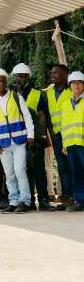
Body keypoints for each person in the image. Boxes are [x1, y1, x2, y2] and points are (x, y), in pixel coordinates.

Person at [0, 68, 34, 213]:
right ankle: (13, 201)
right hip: (2, 144)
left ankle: (25, 201)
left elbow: (27, 117)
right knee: (9, 173)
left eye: (3, 80)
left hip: (19, 141)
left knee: (20, 171)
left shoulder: (17, 97)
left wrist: (30, 135)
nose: (1, 83)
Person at [11, 63, 54, 211]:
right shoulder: (11, 95)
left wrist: (42, 137)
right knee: (23, 170)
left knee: (39, 170)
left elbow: (43, 117)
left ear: (28, 77)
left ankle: (43, 200)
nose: (21, 79)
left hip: (35, 138)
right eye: (19, 76)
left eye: (24, 76)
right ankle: (28, 202)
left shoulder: (38, 94)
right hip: (18, 138)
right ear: (14, 77)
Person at [46, 64, 73, 208]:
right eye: (52, 72)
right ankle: (67, 196)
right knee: (62, 167)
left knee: (73, 166)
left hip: (71, 135)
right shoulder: (50, 92)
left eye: (55, 73)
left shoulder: (72, 91)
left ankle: (76, 196)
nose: (53, 75)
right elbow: (49, 116)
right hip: (57, 136)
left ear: (65, 74)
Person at [61, 71, 84, 211]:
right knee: (76, 173)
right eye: (73, 83)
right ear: (70, 85)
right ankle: (80, 201)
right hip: (71, 144)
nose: (76, 85)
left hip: (82, 143)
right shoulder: (65, 104)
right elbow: (64, 125)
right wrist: (64, 144)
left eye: (80, 83)